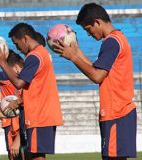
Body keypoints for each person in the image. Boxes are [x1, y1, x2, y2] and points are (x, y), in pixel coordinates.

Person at [54, 3, 137, 160]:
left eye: (88, 29)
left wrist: (73, 57)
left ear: (97, 22)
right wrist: (77, 51)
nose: (88, 34)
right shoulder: (116, 39)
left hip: (116, 112)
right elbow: (96, 69)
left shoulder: (111, 41)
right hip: (119, 111)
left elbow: (97, 76)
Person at [0, 23, 63, 160]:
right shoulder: (43, 53)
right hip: (45, 113)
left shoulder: (34, 56)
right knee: (36, 155)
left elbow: (19, 83)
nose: (18, 49)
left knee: (36, 156)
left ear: (25, 38)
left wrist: (2, 63)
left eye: (17, 43)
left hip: (39, 115)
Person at [0, 50, 27, 160]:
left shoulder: (7, 77)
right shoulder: (20, 78)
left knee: (18, 152)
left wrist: (0, 60)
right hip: (11, 115)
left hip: (14, 119)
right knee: (17, 152)